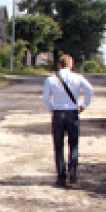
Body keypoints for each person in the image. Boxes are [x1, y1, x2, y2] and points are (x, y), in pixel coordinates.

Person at [42, 55, 93, 187]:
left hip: (58, 113)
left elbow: (46, 99)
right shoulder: (78, 78)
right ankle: (73, 168)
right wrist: (83, 105)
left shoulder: (50, 79)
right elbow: (89, 90)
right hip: (73, 112)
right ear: (71, 65)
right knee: (74, 144)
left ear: (59, 65)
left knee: (59, 146)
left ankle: (61, 175)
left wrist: (52, 110)